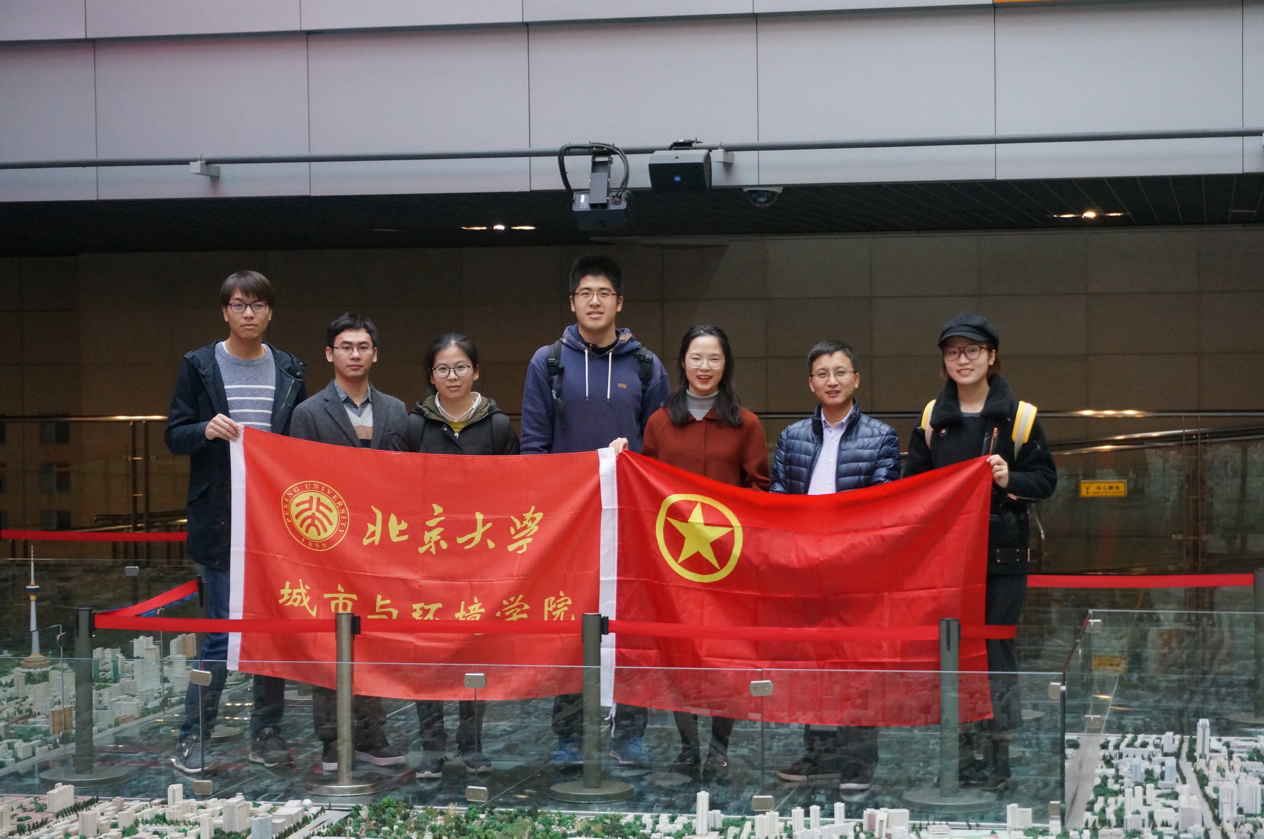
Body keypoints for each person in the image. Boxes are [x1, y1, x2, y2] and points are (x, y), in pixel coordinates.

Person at [520, 254, 670, 769]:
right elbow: (534, 444)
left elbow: (659, 447)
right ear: (572, 302)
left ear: (619, 302)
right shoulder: (548, 362)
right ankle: (568, 735)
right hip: (569, 521)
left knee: (630, 624)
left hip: (629, 519)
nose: (594, 302)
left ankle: (630, 734)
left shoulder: (647, 365)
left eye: (604, 293)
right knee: (569, 625)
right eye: (585, 293)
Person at [903, 312, 1057, 792]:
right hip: (947, 561)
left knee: (994, 650)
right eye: (953, 352)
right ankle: (961, 753)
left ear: (991, 356)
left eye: (972, 350)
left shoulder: (1021, 416)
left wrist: (1010, 479)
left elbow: (1046, 480)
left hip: (1001, 558)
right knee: (951, 653)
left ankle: (999, 757)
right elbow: (914, 486)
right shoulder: (932, 418)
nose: (962, 360)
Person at [165, 270, 308, 774]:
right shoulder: (199, 366)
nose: (249, 314)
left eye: (258, 305)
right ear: (225, 311)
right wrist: (204, 429)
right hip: (220, 518)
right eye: (240, 305)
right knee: (224, 633)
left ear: (271, 312)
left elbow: (299, 444)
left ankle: (266, 734)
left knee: (272, 631)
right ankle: (192, 736)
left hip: (276, 520)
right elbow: (174, 434)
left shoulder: (290, 369)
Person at [612, 324, 769, 778]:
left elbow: (760, 487)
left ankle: (720, 748)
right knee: (679, 654)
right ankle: (687, 746)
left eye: (714, 358)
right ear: (682, 362)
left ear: (726, 364)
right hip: (674, 563)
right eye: (696, 358)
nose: (705, 367)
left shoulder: (746, 423)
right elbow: (646, 486)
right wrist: (623, 458)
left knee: (725, 657)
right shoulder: (660, 422)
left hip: (728, 562)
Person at [769, 340, 900, 794]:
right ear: (811, 383)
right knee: (811, 664)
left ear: (856, 379)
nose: (832, 381)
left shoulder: (881, 436)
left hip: (857, 570)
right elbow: (778, 497)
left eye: (840, 372)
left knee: (858, 665)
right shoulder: (792, 437)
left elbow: (882, 502)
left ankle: (858, 759)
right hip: (804, 568)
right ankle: (819, 754)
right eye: (822, 374)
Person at [387, 332, 519, 780]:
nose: (452, 376)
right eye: (442, 368)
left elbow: (518, 491)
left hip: (480, 562)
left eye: (461, 367)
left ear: (476, 371)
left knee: (474, 652)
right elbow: (391, 485)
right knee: (428, 655)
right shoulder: (414, 427)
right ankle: (432, 747)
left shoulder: (497, 427)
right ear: (431, 376)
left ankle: (472, 744)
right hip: (427, 562)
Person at [289, 312, 409, 775]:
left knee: (374, 641)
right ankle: (333, 740)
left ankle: (374, 735)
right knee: (329, 643)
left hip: (381, 544)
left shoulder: (396, 410)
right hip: (327, 546)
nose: (354, 354)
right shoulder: (308, 413)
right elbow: (297, 481)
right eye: (345, 347)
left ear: (375, 354)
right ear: (329, 353)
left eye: (362, 347)